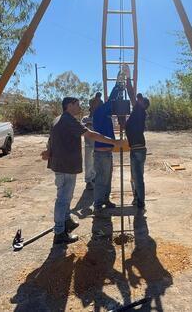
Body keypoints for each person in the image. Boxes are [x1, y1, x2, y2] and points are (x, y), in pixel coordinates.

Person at [42, 97, 123, 245]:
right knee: (63, 199)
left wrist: (48, 151)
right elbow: (90, 134)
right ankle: (59, 233)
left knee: (66, 196)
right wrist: (113, 141)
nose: (80, 107)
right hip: (65, 166)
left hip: (62, 165)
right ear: (69, 105)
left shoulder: (58, 119)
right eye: (77, 105)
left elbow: (50, 139)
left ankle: (66, 221)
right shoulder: (68, 120)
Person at [92, 83, 122, 215]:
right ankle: (98, 203)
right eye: (98, 102)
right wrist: (116, 87)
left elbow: (111, 104)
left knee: (107, 178)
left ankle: (105, 200)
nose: (101, 103)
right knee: (101, 179)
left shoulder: (103, 114)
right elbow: (110, 101)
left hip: (107, 153)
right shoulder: (98, 112)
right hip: (101, 154)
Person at [125, 68, 149, 210]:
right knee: (135, 175)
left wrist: (128, 78)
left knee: (138, 177)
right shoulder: (138, 113)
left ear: (142, 105)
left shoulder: (139, 111)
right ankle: (137, 198)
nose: (137, 101)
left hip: (138, 149)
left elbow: (131, 94)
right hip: (136, 149)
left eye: (140, 101)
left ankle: (140, 202)